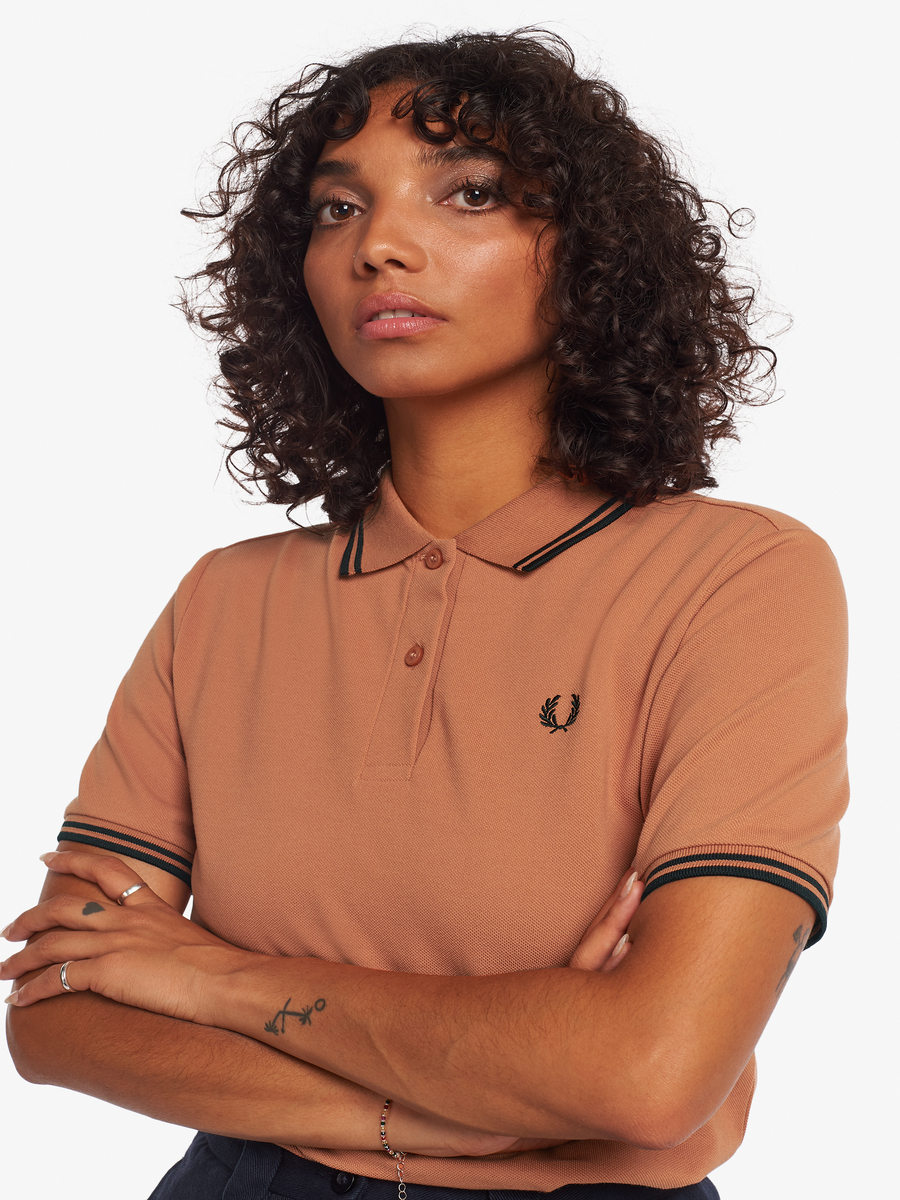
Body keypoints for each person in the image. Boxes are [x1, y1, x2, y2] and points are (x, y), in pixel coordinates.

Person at [3, 27, 848, 1200]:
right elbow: (55, 1011)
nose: (380, 247)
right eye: (338, 208)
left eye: (470, 194)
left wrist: (212, 979)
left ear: (591, 251)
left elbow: (650, 1072)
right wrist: (467, 1110)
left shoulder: (739, 577)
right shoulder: (223, 600)